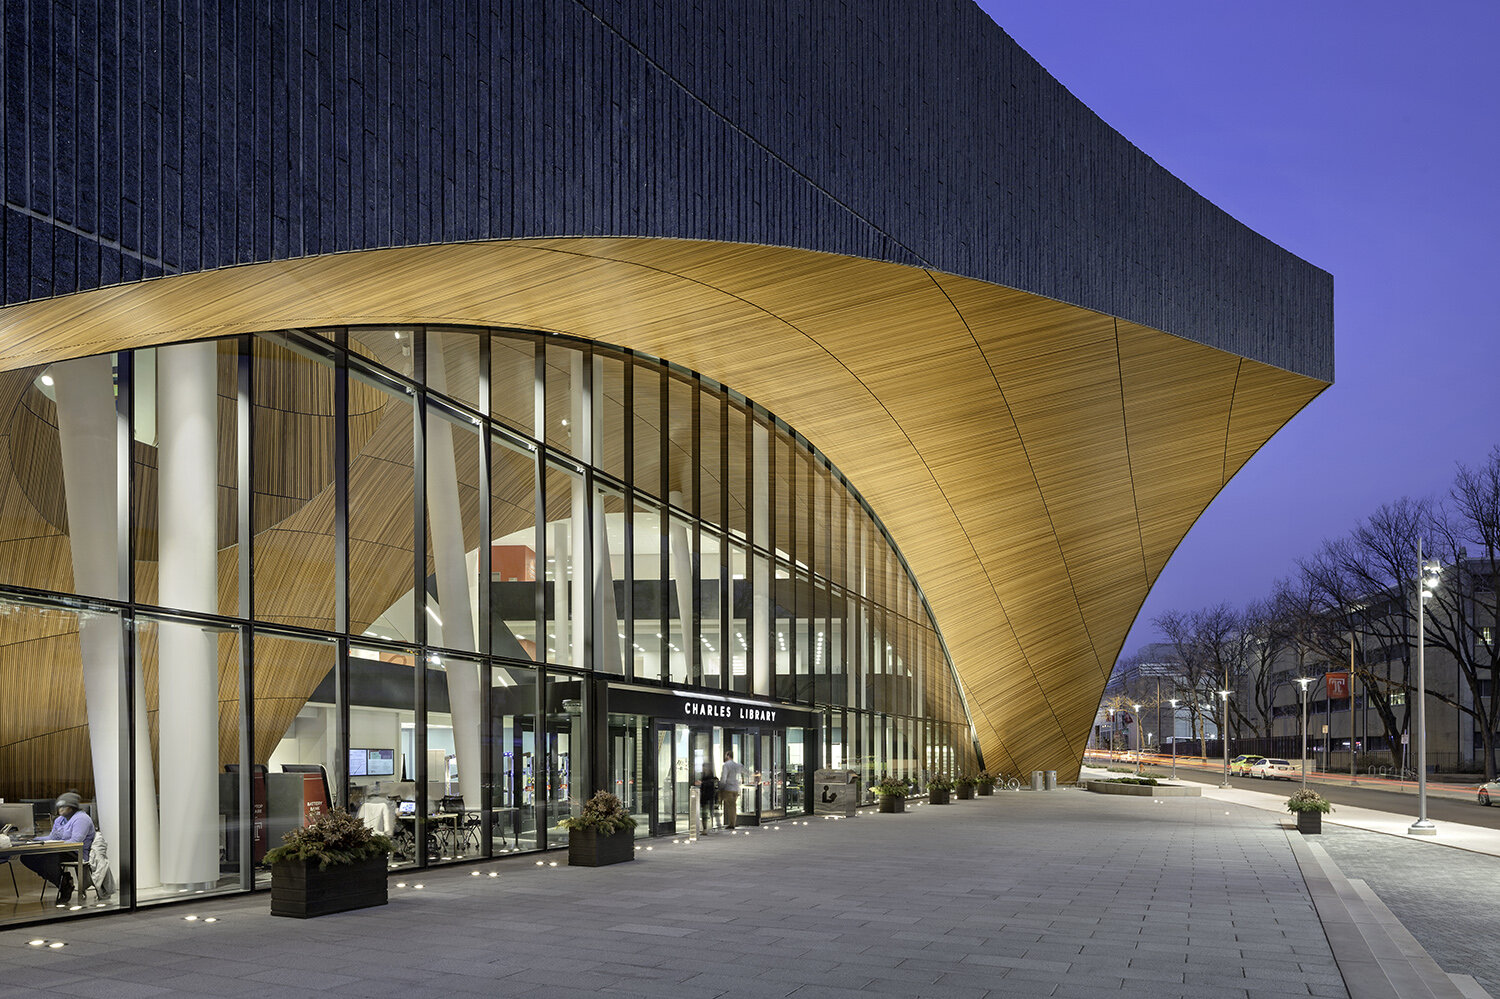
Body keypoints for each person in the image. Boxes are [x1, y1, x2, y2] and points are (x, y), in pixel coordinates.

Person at [22, 791, 95, 905]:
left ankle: (64, 887)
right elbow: (52, 837)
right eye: (59, 806)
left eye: (63, 806)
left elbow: (76, 842)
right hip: (59, 850)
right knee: (27, 857)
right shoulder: (59, 820)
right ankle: (63, 882)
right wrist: (32, 840)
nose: (60, 809)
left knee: (50, 857)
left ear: (72, 807)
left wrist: (55, 845)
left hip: (76, 852)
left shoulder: (81, 819)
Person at [717, 750, 747, 830]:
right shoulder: (738, 765)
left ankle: (732, 824)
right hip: (736, 789)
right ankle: (732, 822)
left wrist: (720, 787)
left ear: (727, 755)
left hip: (728, 789)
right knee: (733, 806)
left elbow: (723, 778)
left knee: (731, 807)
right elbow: (746, 772)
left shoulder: (726, 765)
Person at [697, 766, 719, 834]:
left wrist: (702, 783)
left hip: (707, 798)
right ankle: (705, 828)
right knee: (705, 813)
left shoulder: (710, 780)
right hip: (707, 798)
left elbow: (709, 785)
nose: (703, 769)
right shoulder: (707, 778)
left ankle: (706, 828)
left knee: (705, 813)